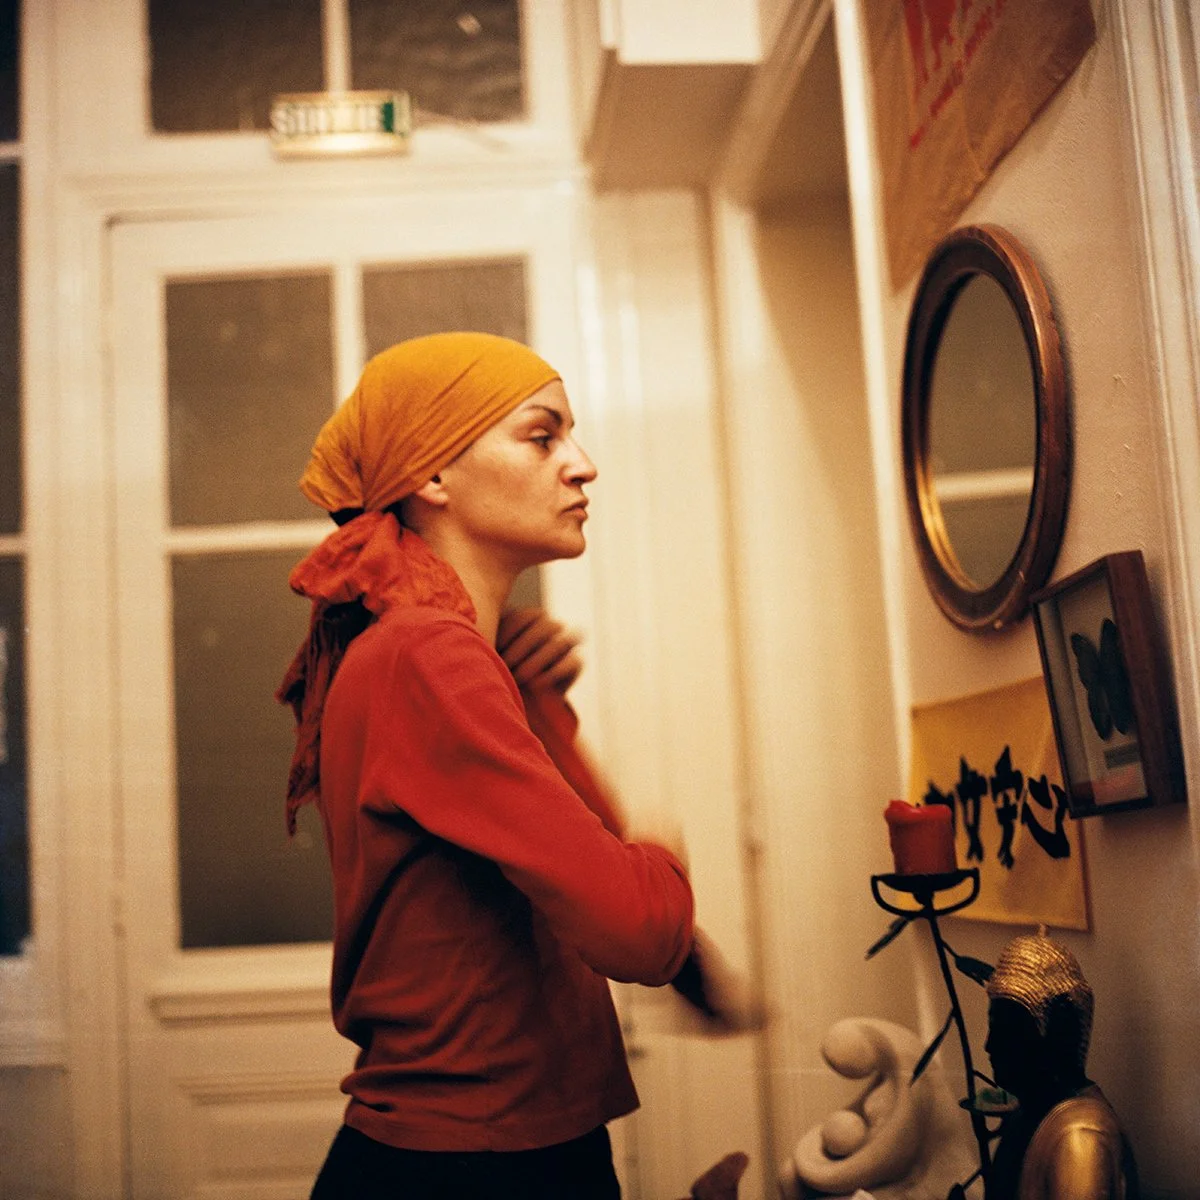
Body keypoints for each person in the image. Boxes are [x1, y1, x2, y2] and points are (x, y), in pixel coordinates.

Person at [277, 332, 696, 1199]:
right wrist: (665, 859)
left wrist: (540, 709)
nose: (581, 465)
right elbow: (639, 931)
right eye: (542, 437)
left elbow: (570, 890)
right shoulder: (432, 659)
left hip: (494, 1146)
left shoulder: (447, 652)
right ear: (431, 477)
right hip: (478, 1166)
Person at [983, 931, 1138, 1200]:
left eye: (1008, 1031)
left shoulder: (1080, 1138)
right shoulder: (1028, 1114)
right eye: (992, 1027)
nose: (989, 1045)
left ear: (1058, 1034)